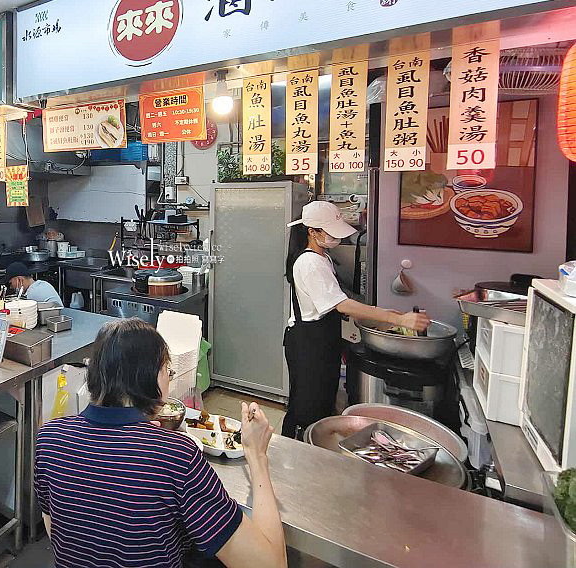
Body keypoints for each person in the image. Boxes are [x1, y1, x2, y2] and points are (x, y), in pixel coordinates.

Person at [35, 319, 286, 568]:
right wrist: (257, 456)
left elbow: (54, 526)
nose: (169, 380)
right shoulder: (178, 456)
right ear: (150, 377)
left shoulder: (49, 438)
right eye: (168, 371)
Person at [282, 201, 430, 440]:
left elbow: (338, 302)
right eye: (329, 231)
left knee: (320, 402)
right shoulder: (309, 263)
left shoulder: (322, 258)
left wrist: (380, 316)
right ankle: (294, 454)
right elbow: (341, 304)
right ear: (312, 232)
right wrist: (398, 318)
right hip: (307, 344)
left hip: (320, 340)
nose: (335, 237)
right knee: (306, 407)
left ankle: (313, 453)